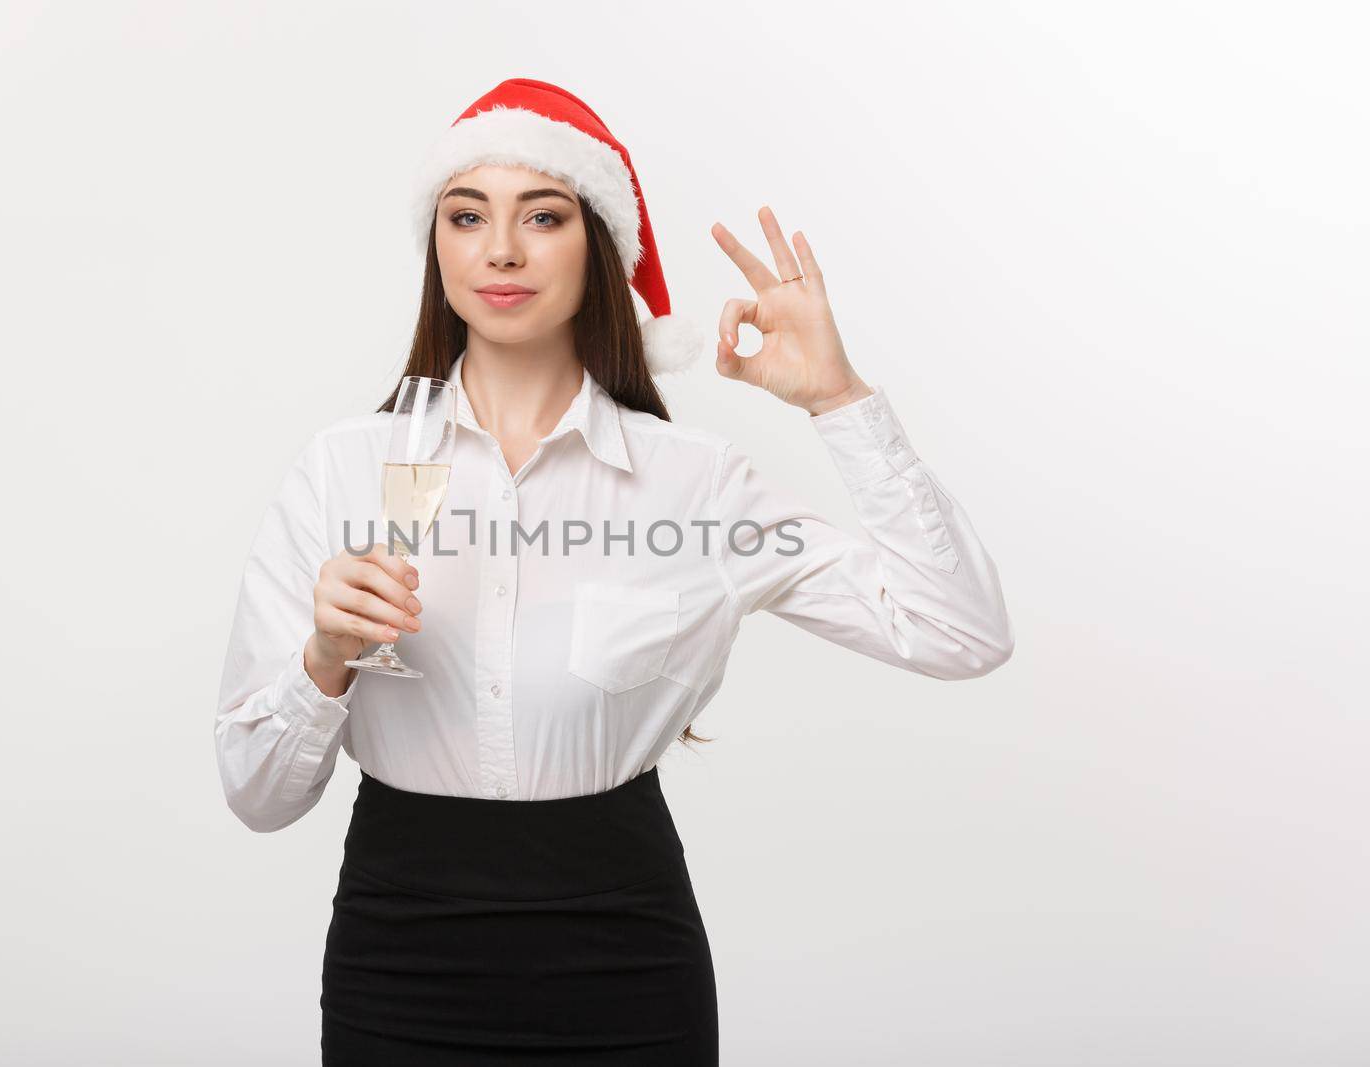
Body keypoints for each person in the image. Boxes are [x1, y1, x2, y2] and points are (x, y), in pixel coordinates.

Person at [213, 77, 1014, 1065]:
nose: (500, 249)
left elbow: (962, 631)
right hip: (400, 954)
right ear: (439, 247)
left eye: (540, 216)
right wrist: (326, 656)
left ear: (596, 246)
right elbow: (255, 794)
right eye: (467, 216)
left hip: (623, 962)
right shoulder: (342, 468)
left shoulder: (693, 485)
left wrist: (839, 401)